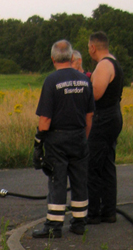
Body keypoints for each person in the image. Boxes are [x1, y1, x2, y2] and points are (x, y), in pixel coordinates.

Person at [32, 40, 95, 239]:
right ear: (70, 57)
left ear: (53, 59)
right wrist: (84, 136)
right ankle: (79, 222)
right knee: (79, 180)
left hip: (57, 137)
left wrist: (38, 142)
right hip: (79, 135)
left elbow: (45, 118)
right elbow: (89, 115)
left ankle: (54, 225)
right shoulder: (85, 80)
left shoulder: (51, 81)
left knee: (57, 180)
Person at [86, 31, 124, 224]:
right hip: (114, 116)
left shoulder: (103, 65)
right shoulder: (114, 62)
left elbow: (96, 94)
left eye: (88, 48)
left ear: (93, 47)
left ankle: (92, 213)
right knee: (107, 164)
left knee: (93, 165)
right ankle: (108, 211)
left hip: (103, 119)